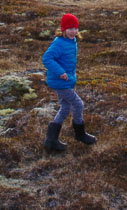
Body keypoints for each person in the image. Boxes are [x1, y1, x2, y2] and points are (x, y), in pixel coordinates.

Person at [41, 12, 97, 152]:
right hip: (60, 82)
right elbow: (46, 59)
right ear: (63, 29)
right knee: (78, 104)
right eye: (70, 28)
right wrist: (61, 72)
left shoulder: (71, 41)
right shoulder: (59, 43)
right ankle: (80, 134)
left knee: (65, 108)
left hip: (66, 81)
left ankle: (51, 140)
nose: (73, 31)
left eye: (75, 28)